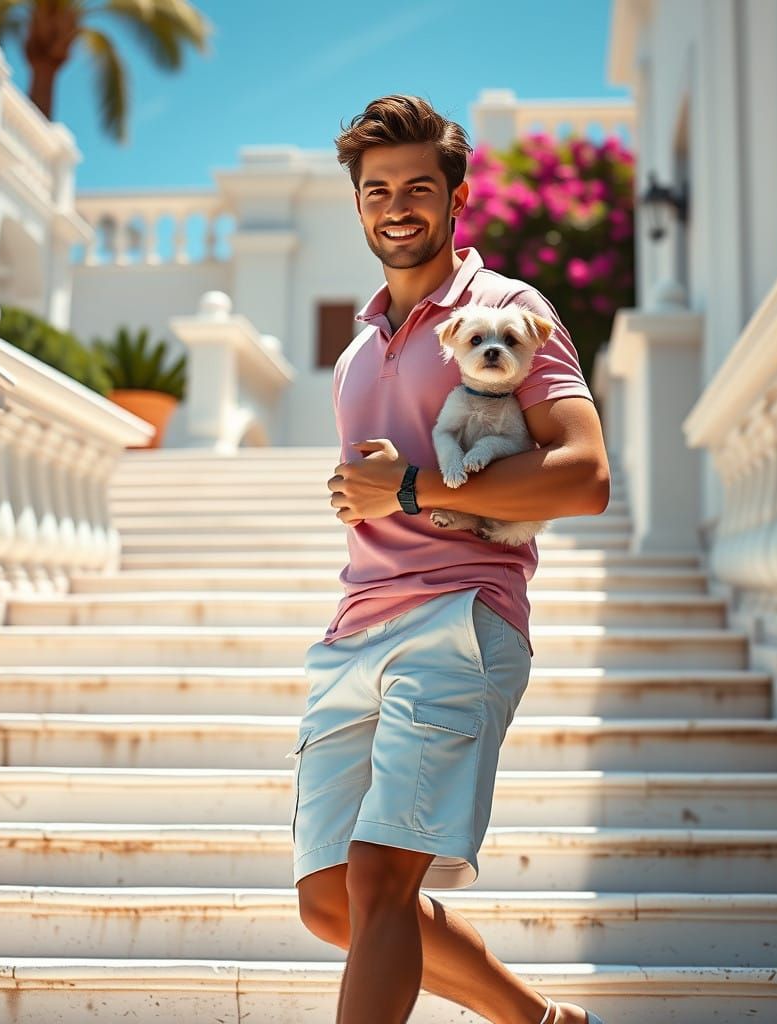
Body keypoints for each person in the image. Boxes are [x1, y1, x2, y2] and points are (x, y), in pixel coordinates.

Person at [287, 94, 611, 1024]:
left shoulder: (506, 310)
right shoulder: (356, 353)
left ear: (457, 196)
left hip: (460, 619)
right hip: (354, 630)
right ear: (357, 202)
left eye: (418, 187)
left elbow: (585, 474)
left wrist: (411, 488)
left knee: (382, 878)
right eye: (377, 189)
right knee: (330, 901)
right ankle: (540, 1022)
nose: (397, 207)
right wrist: (370, 494)